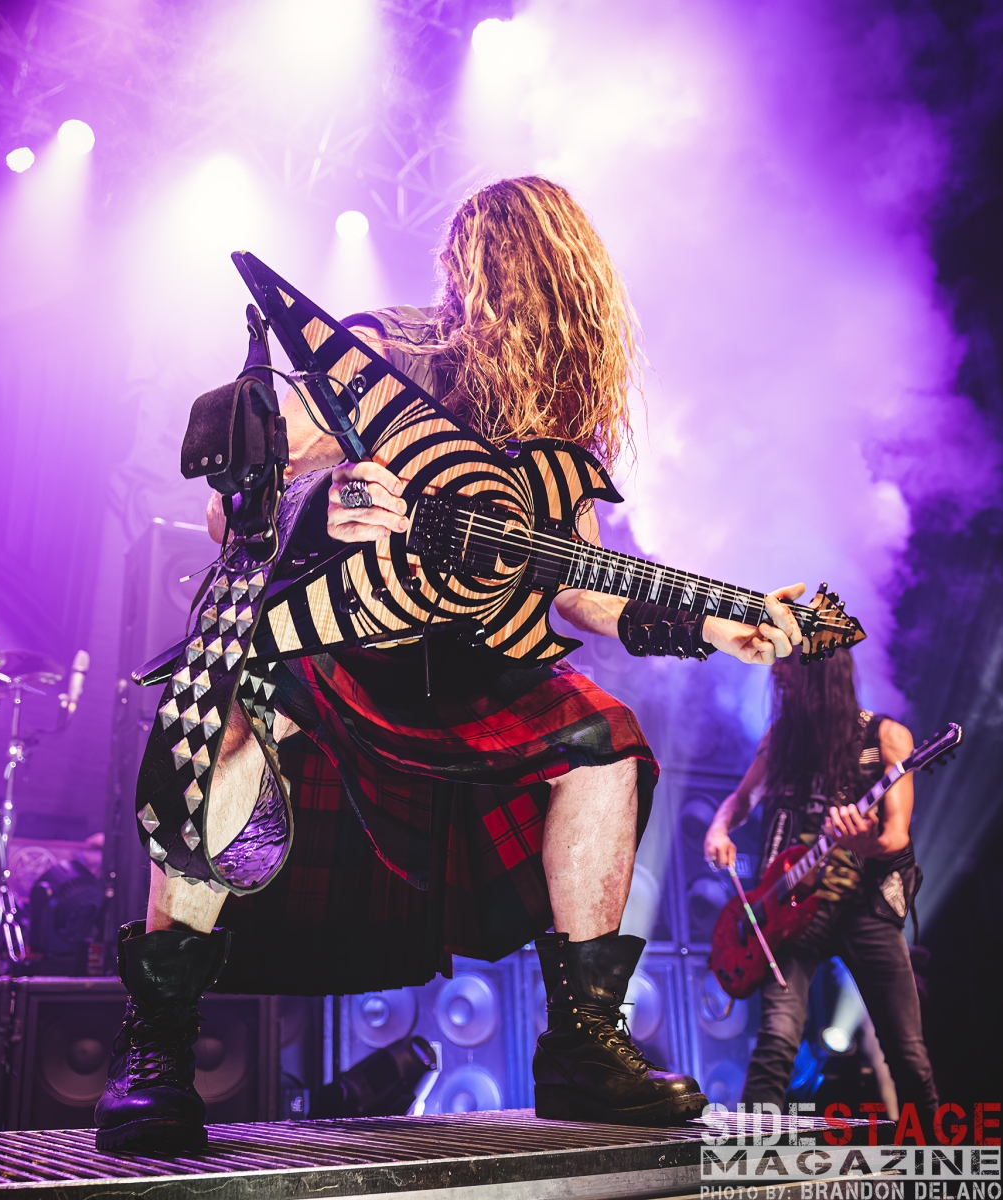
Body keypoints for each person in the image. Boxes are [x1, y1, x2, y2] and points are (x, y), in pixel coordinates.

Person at [96, 176, 807, 1152]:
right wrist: (324, 504)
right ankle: (158, 1049)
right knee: (226, 721)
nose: (543, 314)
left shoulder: (558, 420)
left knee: (604, 743)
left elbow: (576, 582)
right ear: (480, 271)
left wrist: (709, 625)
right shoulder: (381, 357)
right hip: (338, 642)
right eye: (530, 282)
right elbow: (229, 512)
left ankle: (582, 1049)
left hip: (471, 674)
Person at [703, 648, 937, 1119]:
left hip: (865, 908)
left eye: (789, 661)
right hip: (789, 910)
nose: (777, 670)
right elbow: (742, 798)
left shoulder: (886, 737)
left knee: (907, 1054)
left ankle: (934, 1155)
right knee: (775, 1042)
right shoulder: (780, 739)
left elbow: (896, 835)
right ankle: (751, 1153)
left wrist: (865, 842)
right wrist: (718, 828)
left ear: (821, 670)